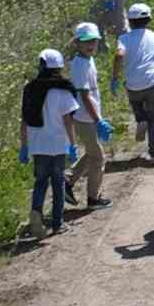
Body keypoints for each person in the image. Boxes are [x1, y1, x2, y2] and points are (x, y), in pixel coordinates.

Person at [19, 48, 80, 240]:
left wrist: (24, 146)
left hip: (38, 145)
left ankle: (36, 216)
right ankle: (57, 224)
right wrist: (73, 144)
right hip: (58, 144)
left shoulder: (30, 89)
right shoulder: (63, 91)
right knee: (58, 183)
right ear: (59, 67)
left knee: (40, 182)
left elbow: (24, 120)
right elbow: (68, 120)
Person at [112, 2, 154, 165]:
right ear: (149, 20)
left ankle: (140, 119)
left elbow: (119, 55)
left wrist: (115, 77)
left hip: (133, 84)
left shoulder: (123, 38)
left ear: (129, 21)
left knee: (136, 102)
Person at [65, 22, 113, 210]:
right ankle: (93, 199)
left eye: (93, 41)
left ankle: (68, 181)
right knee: (98, 157)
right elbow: (84, 96)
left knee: (92, 152)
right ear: (77, 42)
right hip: (85, 117)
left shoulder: (88, 60)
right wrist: (97, 120)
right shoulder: (79, 65)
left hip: (89, 116)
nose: (91, 45)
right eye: (86, 42)